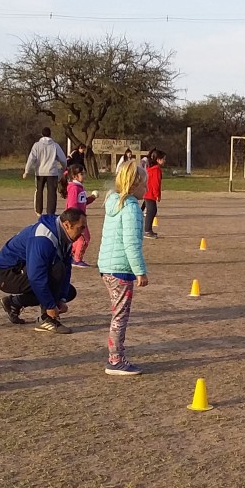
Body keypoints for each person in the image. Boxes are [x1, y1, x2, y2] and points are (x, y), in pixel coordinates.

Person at [0, 208, 86, 333]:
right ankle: (46, 319)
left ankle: (14, 303)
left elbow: (67, 267)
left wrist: (61, 299)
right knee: (56, 270)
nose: (82, 232)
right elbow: (36, 277)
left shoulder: (64, 234)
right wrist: (50, 306)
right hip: (7, 274)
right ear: (67, 224)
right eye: (81, 228)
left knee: (68, 292)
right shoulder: (43, 238)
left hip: (26, 270)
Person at [98, 159, 149, 375]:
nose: (147, 189)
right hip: (120, 269)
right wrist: (140, 271)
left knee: (118, 314)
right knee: (120, 316)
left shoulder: (114, 203)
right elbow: (131, 243)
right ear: (134, 185)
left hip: (107, 266)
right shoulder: (131, 208)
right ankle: (115, 360)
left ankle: (116, 356)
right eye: (144, 185)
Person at [22, 127, 67, 216]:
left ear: (42, 134)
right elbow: (63, 159)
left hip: (40, 172)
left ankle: (39, 210)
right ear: (50, 134)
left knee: (39, 191)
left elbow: (31, 158)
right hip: (52, 172)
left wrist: (26, 171)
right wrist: (64, 168)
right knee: (52, 193)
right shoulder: (55, 145)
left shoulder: (37, 145)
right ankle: (51, 212)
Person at [59, 166, 98, 268]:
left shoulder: (79, 187)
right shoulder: (74, 188)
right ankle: (77, 259)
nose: (84, 175)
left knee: (78, 238)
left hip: (80, 218)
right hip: (76, 219)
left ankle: (71, 256)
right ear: (75, 176)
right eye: (81, 174)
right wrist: (75, 218)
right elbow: (72, 205)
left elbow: (83, 202)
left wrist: (92, 198)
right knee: (84, 238)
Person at [142, 149, 165, 239]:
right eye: (163, 159)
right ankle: (147, 231)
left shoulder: (151, 168)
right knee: (151, 211)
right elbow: (156, 183)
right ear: (158, 159)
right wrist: (157, 195)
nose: (164, 161)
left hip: (147, 192)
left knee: (152, 210)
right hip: (150, 193)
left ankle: (149, 230)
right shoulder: (156, 169)